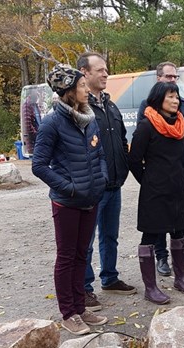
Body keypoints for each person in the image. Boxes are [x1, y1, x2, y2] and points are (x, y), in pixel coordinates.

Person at [32, 64, 109, 335]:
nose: (86, 90)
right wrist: (69, 188)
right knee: (66, 257)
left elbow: (99, 154)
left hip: (91, 198)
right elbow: (39, 165)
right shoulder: (52, 123)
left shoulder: (89, 118)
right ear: (68, 92)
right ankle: (69, 313)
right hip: (67, 202)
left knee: (81, 255)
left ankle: (80, 307)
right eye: (81, 86)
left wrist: (100, 179)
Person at [76, 52, 136, 313]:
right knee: (86, 241)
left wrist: (123, 167)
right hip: (92, 188)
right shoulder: (79, 108)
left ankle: (109, 278)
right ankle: (85, 288)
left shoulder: (111, 106)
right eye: (99, 70)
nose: (105, 74)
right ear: (84, 72)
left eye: (106, 70)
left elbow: (122, 140)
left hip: (114, 184)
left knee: (110, 236)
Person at [129, 82, 184, 304]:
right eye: (170, 96)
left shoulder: (180, 124)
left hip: (178, 189)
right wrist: (149, 181)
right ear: (159, 99)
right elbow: (133, 160)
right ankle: (150, 288)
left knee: (179, 233)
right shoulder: (146, 126)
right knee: (150, 235)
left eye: (177, 96)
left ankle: (180, 279)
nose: (176, 100)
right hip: (155, 192)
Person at [137, 62, 184, 277]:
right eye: (168, 76)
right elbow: (135, 157)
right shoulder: (147, 115)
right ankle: (161, 258)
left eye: (176, 77)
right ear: (159, 79)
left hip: (181, 177)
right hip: (156, 185)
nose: (173, 80)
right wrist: (147, 179)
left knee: (180, 223)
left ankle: (183, 263)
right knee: (156, 225)